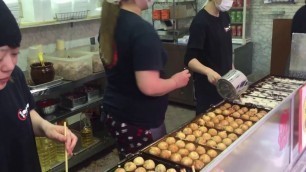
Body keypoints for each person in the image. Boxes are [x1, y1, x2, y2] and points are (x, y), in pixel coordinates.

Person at [99, 0, 191, 159]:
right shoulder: (141, 30)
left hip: (116, 113)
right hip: (139, 122)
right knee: (148, 163)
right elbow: (149, 86)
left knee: (130, 161)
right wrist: (176, 82)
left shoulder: (110, 23)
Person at [0, 1, 78, 171]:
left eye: (14, 54)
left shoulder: (15, 76)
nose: (9, 66)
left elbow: (25, 113)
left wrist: (46, 127)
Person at [184, 0, 234, 115]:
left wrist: (232, 68)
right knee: (207, 122)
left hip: (225, 83)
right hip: (208, 87)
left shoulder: (225, 16)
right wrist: (208, 71)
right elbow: (189, 59)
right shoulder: (200, 21)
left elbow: (225, 48)